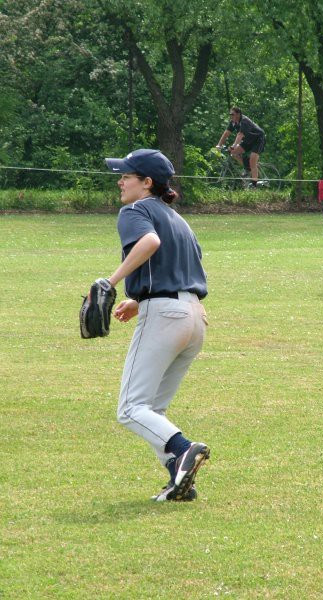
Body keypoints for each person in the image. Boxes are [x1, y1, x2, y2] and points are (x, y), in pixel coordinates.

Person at [103, 148, 210, 502]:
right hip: (194, 318)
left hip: (165, 317)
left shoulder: (135, 209)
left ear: (147, 183)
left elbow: (150, 242)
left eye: (126, 176)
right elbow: (184, 269)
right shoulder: (179, 218)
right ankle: (181, 482)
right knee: (152, 410)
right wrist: (139, 299)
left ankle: (183, 449)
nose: (120, 181)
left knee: (131, 409)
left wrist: (112, 281)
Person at [216, 106, 266, 188]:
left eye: (232, 114)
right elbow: (226, 134)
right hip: (248, 140)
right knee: (233, 153)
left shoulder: (244, 121)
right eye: (230, 114)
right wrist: (219, 145)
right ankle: (248, 169)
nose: (231, 116)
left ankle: (254, 186)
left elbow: (240, 135)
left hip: (258, 139)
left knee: (252, 161)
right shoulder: (233, 122)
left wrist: (233, 146)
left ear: (238, 114)